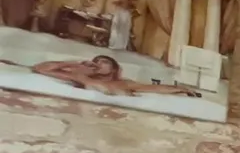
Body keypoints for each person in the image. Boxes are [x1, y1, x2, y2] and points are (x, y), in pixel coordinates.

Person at [0, 55, 200, 97]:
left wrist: (181, 89)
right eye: (96, 60)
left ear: (113, 69)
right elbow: (40, 69)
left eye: (104, 61)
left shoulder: (124, 83)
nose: (97, 63)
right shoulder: (82, 78)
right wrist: (73, 63)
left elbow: (154, 88)